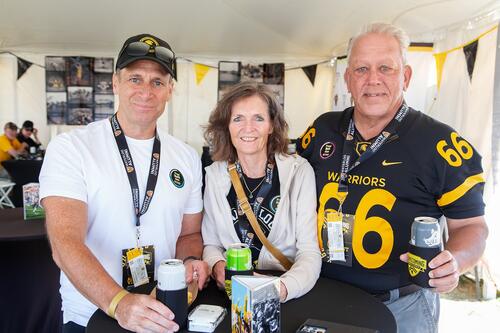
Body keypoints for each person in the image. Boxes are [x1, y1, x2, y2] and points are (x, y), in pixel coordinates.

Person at [297, 23, 488, 332]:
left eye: (386, 67)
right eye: (361, 69)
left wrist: (454, 261)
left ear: (406, 76)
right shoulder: (322, 130)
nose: (373, 79)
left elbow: (471, 226)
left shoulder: (440, 143)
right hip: (324, 295)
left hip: (402, 305)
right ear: (347, 79)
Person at [39, 34, 209, 333]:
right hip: (91, 313)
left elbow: (190, 233)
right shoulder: (71, 147)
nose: (146, 91)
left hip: (160, 310)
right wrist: (119, 302)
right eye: (135, 79)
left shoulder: (186, 156)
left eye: (158, 82)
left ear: (170, 90)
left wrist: (191, 260)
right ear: (116, 83)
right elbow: (65, 243)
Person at [202, 81, 321, 302]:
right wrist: (217, 266)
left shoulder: (299, 172)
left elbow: (309, 252)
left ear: (272, 125)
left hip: (285, 289)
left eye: (258, 118)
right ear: (226, 126)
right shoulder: (215, 175)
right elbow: (211, 244)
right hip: (232, 293)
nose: (248, 128)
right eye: (238, 118)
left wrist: (280, 289)